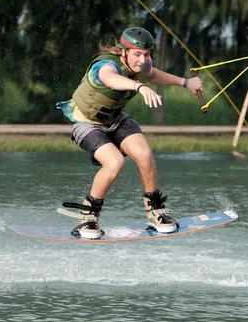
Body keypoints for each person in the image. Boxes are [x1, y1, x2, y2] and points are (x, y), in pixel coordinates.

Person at [56, 26, 204, 239]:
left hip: (116, 120)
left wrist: (185, 82)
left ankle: (155, 213)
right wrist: (139, 87)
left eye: (146, 54)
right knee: (115, 162)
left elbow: (152, 74)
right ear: (123, 52)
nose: (142, 60)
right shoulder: (105, 66)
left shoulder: (143, 65)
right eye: (137, 54)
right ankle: (87, 218)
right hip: (86, 123)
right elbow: (110, 79)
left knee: (144, 155)